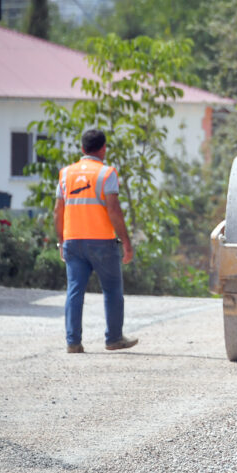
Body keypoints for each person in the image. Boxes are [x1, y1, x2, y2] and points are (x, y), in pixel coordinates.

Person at [54, 129, 137, 354]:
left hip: (72, 241)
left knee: (74, 291)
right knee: (112, 290)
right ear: (103, 149)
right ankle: (113, 339)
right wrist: (126, 241)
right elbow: (114, 211)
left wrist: (61, 241)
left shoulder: (65, 174)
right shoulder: (106, 173)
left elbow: (58, 211)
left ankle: (73, 342)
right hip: (101, 242)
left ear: (82, 149)